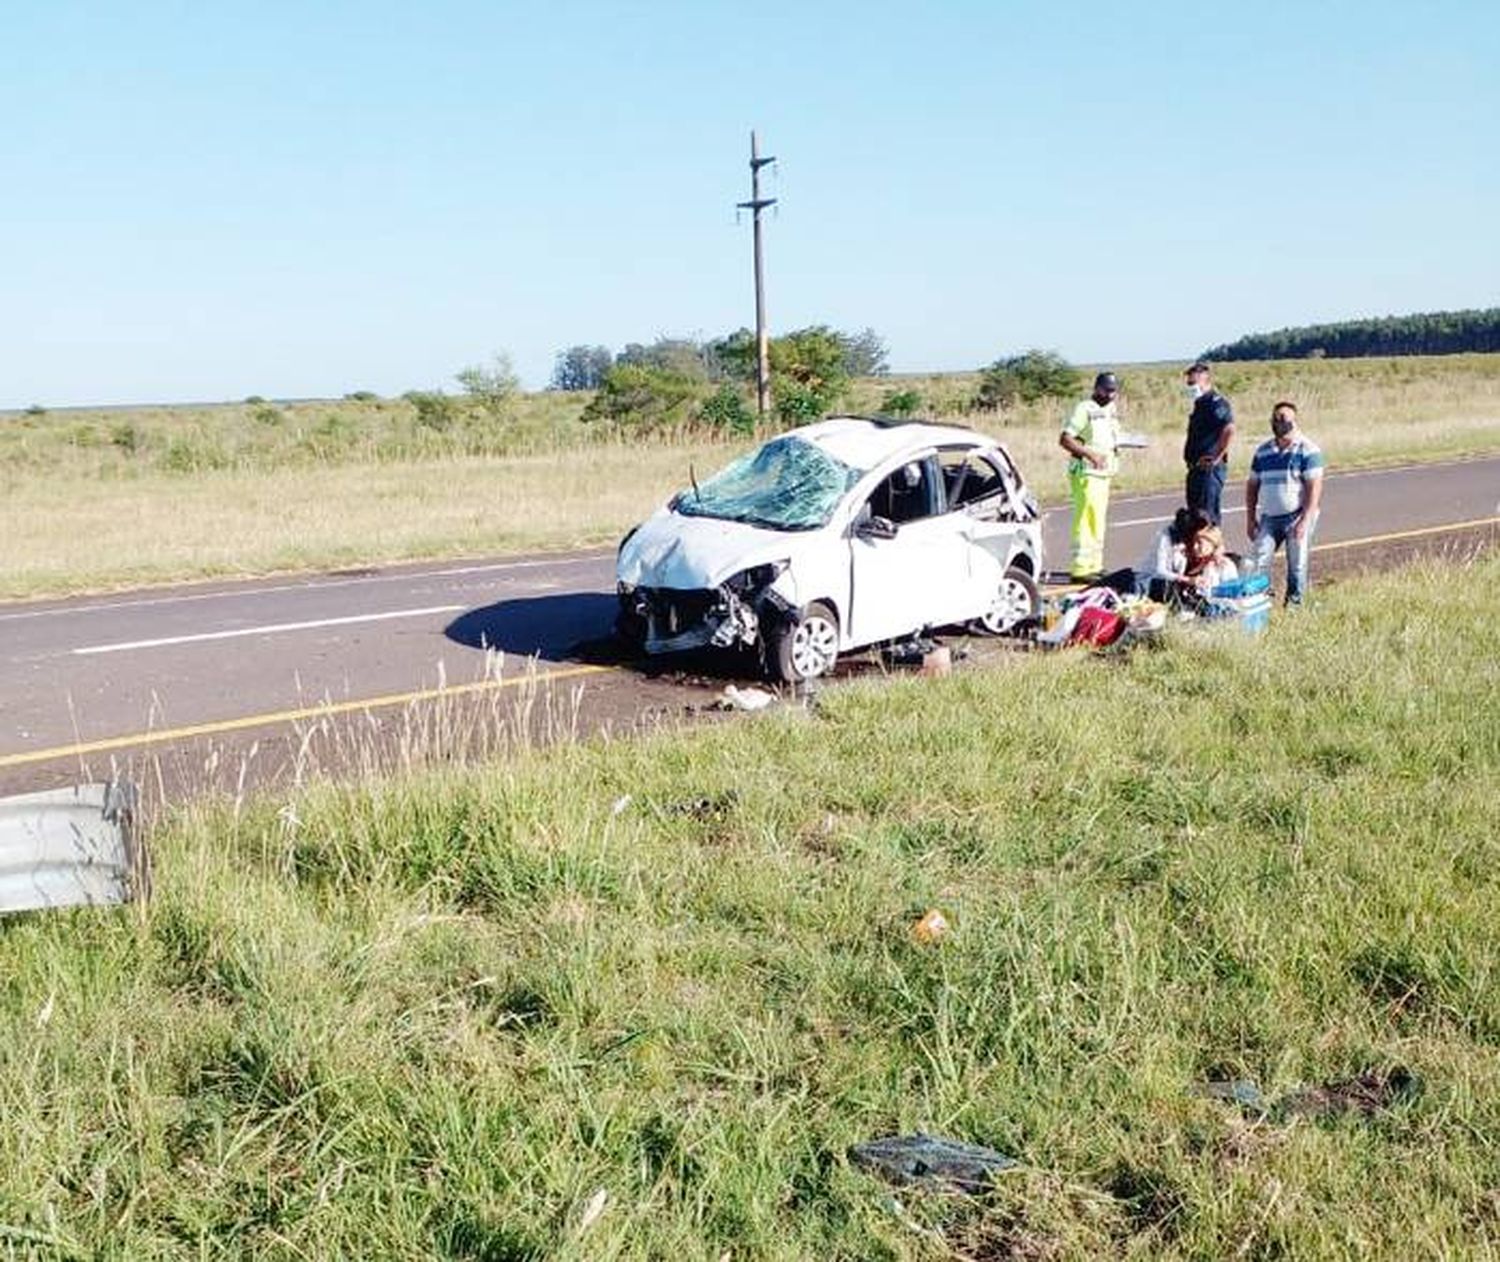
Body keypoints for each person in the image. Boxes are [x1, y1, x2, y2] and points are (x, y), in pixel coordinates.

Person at [1246, 400, 1325, 605]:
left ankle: (1294, 604)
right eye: (1276, 418)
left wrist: (1305, 520)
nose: (1279, 423)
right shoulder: (1263, 451)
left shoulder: (1308, 450)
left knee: (1297, 563)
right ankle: (1260, 601)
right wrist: (1250, 518)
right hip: (1269, 517)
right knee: (1259, 560)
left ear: (1294, 421)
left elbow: (1314, 488)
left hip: (1296, 515)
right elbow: (1252, 485)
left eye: (1284, 419)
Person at [1058, 371, 1122, 579]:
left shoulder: (1110, 410)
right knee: (1086, 518)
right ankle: (1081, 568)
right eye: (1107, 391)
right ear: (1097, 388)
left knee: (1098, 519)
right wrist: (1090, 454)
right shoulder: (1084, 409)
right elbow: (1066, 439)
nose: (1111, 395)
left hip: (1104, 473)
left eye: (1114, 391)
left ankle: (1095, 564)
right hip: (1086, 472)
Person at [1182, 361, 1235, 524]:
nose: (1190, 387)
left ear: (1205, 381)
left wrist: (1218, 456)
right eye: (1188, 383)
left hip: (1209, 471)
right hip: (1194, 469)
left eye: (1193, 383)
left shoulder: (1215, 402)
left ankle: (1212, 548)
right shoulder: (1199, 404)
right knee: (1195, 517)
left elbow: (1229, 429)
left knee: (1208, 518)